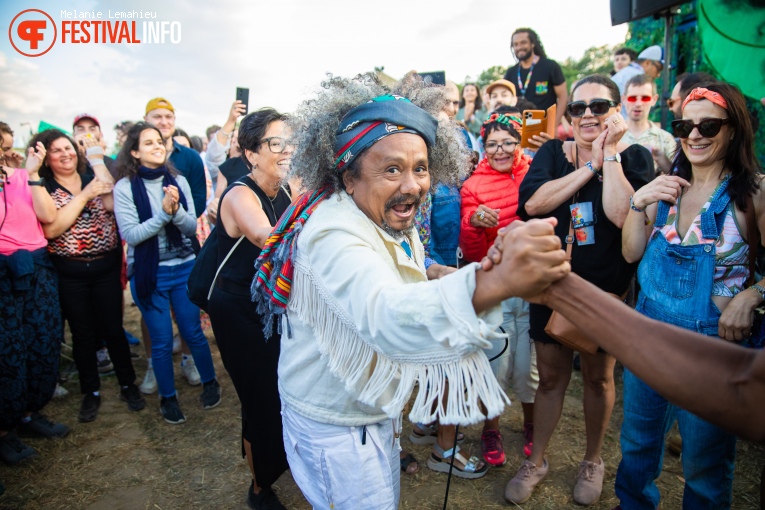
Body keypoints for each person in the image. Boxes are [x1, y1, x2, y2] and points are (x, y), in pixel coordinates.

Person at [249, 73, 570, 509]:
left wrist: (440, 272)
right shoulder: (331, 231)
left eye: (420, 168)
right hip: (337, 427)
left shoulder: (385, 214)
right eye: (392, 169)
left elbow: (405, 267)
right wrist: (497, 282)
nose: (413, 185)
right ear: (348, 177)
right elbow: (385, 313)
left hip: (369, 412)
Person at [506, 74, 653, 506]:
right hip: (551, 284)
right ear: (569, 114)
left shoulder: (635, 156)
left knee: (598, 378)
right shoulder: (553, 151)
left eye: (599, 106)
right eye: (578, 108)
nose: (588, 114)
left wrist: (606, 156)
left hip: (603, 289)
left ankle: (592, 460)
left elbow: (621, 213)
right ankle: (537, 460)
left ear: (616, 110)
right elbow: (534, 204)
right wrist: (585, 164)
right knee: (549, 378)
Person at [617, 82, 760, 509]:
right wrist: (639, 203)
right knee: (637, 448)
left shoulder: (754, 194)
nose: (694, 135)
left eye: (709, 125)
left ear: (733, 129)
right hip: (649, 337)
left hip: (711, 348)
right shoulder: (667, 189)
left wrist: (752, 295)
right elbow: (631, 252)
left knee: (704, 465)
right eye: (684, 124)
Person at [207, 109, 293, 510]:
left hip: (272, 302)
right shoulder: (240, 194)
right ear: (251, 153)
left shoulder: (287, 188)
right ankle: (259, 488)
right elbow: (266, 237)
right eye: (276, 143)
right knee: (259, 395)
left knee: (282, 387)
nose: (287, 149)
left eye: (290, 141)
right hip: (238, 308)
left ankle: (283, 457)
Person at [30, 129, 145, 423]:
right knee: (82, 334)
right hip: (70, 272)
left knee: (113, 329)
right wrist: (85, 194)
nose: (65, 153)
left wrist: (94, 157)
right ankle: (90, 392)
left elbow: (110, 201)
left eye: (69, 147)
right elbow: (52, 229)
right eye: (56, 150)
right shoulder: (44, 186)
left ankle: (127, 385)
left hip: (105, 267)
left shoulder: (93, 176)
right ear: (45, 157)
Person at [113, 122, 221, 424]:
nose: (157, 146)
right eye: (148, 143)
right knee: (160, 341)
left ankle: (211, 383)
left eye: (159, 141)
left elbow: (190, 229)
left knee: (193, 332)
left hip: (184, 268)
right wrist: (164, 214)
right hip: (150, 275)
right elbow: (132, 236)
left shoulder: (178, 180)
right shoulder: (124, 188)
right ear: (134, 152)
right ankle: (168, 399)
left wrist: (176, 213)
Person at [459, 112, 538, 466]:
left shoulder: (537, 171)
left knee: (528, 366)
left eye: (508, 142)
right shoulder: (473, 185)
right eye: (492, 144)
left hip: (534, 283)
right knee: (496, 362)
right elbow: (473, 252)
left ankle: (532, 423)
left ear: (519, 142)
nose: (501, 150)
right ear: (484, 147)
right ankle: (491, 428)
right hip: (497, 284)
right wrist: (474, 223)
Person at [0, 122, 70, 465]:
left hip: (36, 265)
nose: (4, 154)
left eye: (6, 147)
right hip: (2, 272)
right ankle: (4, 430)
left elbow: (48, 215)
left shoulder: (19, 175)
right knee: (7, 352)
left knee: (41, 341)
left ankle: (30, 413)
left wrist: (28, 174)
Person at [141, 98, 207, 393]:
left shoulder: (189, 159)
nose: (164, 121)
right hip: (147, 258)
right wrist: (164, 214)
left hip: (183, 249)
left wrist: (176, 212)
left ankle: (189, 360)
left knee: (188, 317)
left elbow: (198, 205)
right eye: (157, 116)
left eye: (169, 116)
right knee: (154, 321)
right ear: (146, 119)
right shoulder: (128, 175)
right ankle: (153, 364)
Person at [504, 28, 567, 127]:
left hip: (544, 126)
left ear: (532, 44)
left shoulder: (550, 66)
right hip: (519, 128)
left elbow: (563, 97)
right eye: (515, 44)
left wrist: (554, 124)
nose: (519, 47)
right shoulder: (510, 72)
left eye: (523, 42)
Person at [621, 74, 677, 174]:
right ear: (624, 99)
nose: (638, 104)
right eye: (632, 98)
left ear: (654, 100)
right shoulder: (612, 136)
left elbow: (678, 176)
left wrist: (661, 158)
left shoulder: (664, 138)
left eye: (645, 98)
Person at [73, 114, 117, 179]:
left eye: (92, 129)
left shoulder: (111, 163)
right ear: (73, 134)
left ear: (100, 134)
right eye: (81, 129)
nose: (86, 133)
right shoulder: (68, 161)